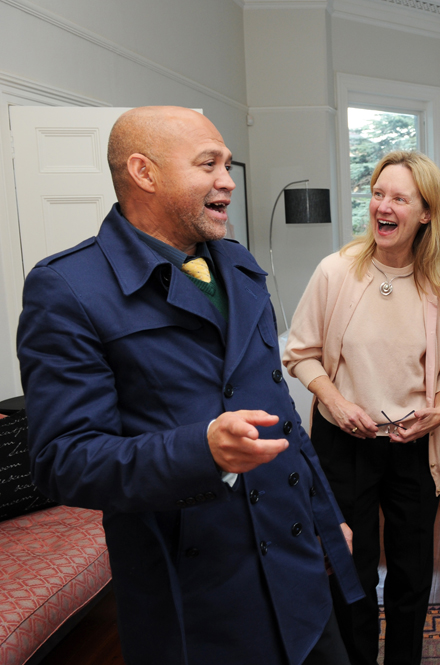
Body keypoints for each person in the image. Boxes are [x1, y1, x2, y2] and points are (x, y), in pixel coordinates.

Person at [17, 106, 364, 665]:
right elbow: (64, 461)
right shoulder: (67, 290)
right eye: (209, 164)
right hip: (198, 595)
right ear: (144, 172)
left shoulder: (238, 264)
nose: (227, 179)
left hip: (298, 563)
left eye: (226, 164)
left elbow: (283, 414)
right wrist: (200, 451)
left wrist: (327, 518)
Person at [283, 150, 440, 665]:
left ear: (425, 213)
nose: (382, 207)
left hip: (414, 445)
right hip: (344, 443)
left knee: (413, 573)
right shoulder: (335, 272)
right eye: (377, 194)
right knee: (353, 568)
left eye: (399, 198)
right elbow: (299, 353)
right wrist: (337, 402)